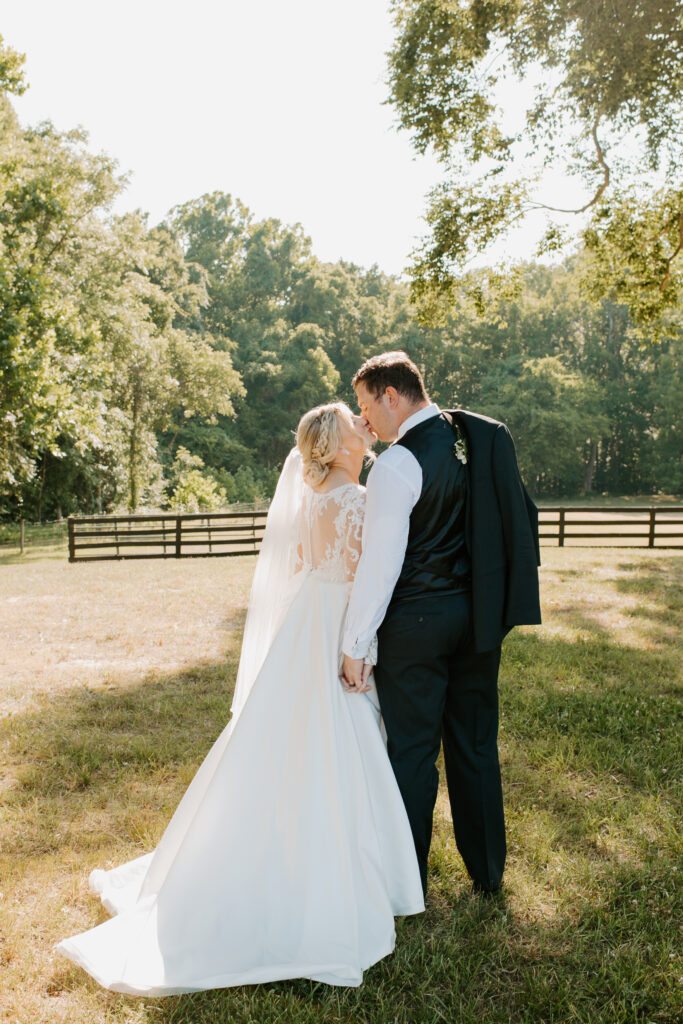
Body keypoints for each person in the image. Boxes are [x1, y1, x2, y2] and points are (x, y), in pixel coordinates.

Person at [57, 402, 424, 996]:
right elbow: (366, 579)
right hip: (333, 628)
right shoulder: (356, 501)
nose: (364, 427)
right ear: (338, 446)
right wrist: (362, 646)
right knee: (336, 742)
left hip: (302, 626)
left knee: (284, 744)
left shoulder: (308, 501)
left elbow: (303, 571)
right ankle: (333, 879)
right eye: (353, 425)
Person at [340, 352, 541, 896]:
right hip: (477, 620)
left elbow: (381, 565)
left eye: (365, 405)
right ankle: (488, 874)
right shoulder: (476, 442)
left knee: (412, 751)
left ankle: (408, 883)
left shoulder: (398, 463)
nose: (366, 421)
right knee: (475, 745)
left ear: (391, 395)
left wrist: (356, 643)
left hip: (416, 627)